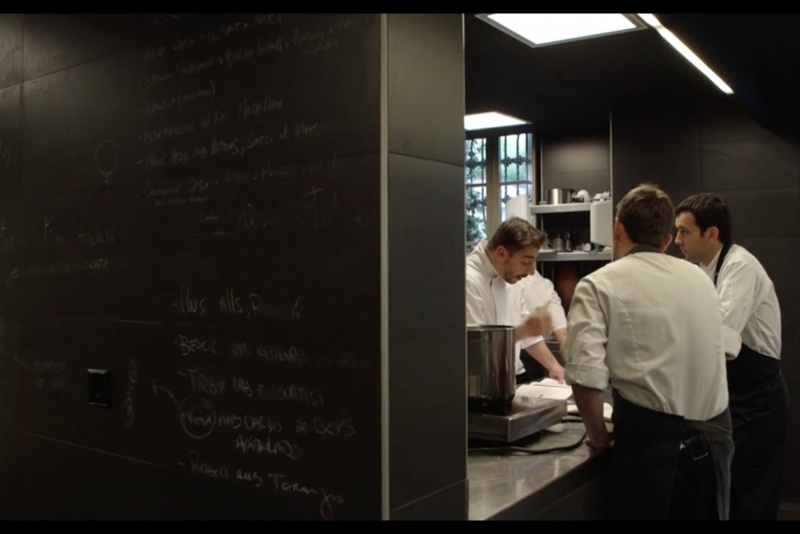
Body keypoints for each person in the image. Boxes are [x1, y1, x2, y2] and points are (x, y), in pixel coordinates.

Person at [562, 183, 734, 520]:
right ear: (667, 240)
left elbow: (585, 374)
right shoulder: (700, 279)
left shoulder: (598, 284)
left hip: (652, 449)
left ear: (617, 228)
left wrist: (598, 434)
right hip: (715, 441)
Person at [675, 192, 789, 521]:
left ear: (711, 233)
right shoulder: (703, 269)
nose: (677, 240)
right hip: (734, 397)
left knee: (751, 497)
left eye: (684, 232)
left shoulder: (740, 267)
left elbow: (722, 339)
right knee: (729, 494)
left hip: (759, 400)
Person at [466, 217, 565, 384]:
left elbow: (528, 337)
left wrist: (554, 366)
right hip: (480, 383)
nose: (531, 272)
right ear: (501, 253)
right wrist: (525, 330)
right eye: (526, 262)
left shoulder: (512, 278)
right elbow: (475, 347)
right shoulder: (468, 280)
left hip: (511, 376)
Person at [519, 271, 568, 380]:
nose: (530, 269)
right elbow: (522, 324)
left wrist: (569, 362)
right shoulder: (515, 281)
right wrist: (554, 366)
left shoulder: (542, 285)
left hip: (527, 359)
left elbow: (562, 330)